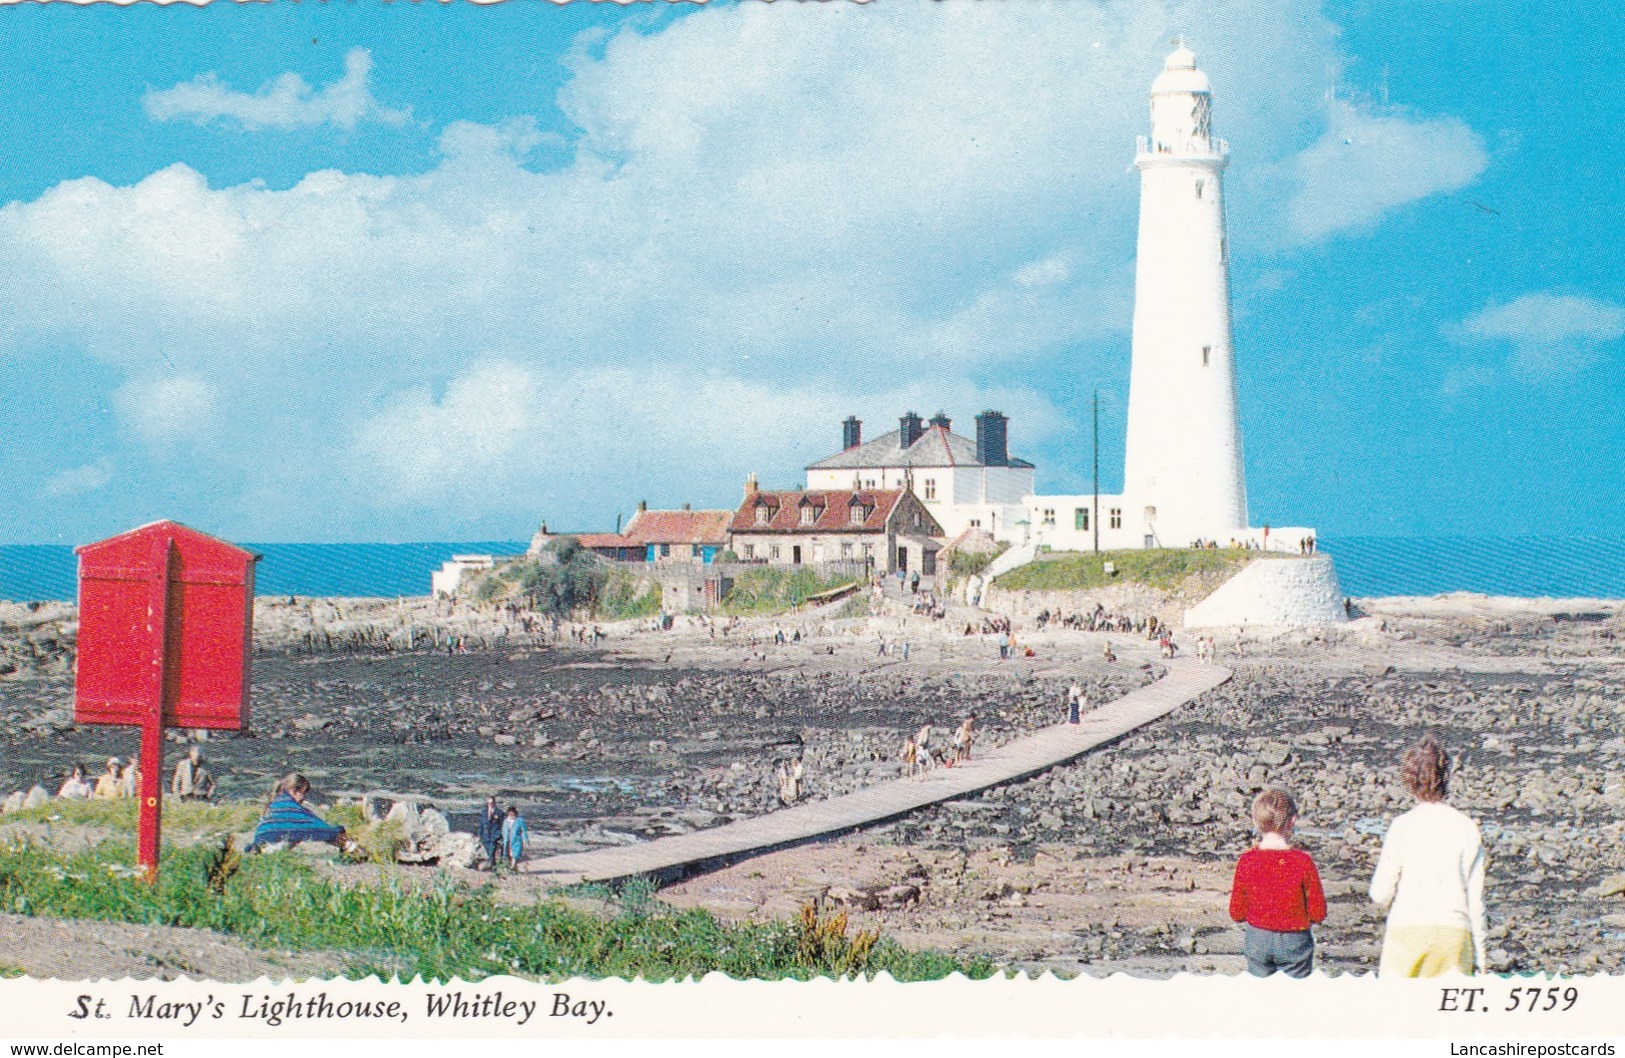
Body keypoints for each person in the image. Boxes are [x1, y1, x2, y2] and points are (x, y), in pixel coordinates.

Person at [1369, 736, 1487, 977]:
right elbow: (1477, 903)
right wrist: (1481, 957)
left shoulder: (1402, 827)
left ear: (1409, 779)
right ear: (1446, 776)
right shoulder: (1467, 827)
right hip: (1454, 934)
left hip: (1406, 932)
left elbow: (1380, 893)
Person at [1228, 788, 1327, 978]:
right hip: (1294, 938)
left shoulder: (1247, 861)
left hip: (1258, 937)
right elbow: (1318, 912)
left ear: (1256, 822)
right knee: (1295, 996)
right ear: (1292, 821)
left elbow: (1236, 912)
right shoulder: (1303, 862)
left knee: (1259, 996)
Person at [248, 773, 350, 852]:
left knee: (299, 831)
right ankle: (348, 847)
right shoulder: (289, 806)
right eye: (303, 792)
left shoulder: (274, 803)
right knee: (307, 830)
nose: (304, 797)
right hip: (274, 847)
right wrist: (335, 832)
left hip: (261, 844)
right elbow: (313, 825)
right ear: (294, 791)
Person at [477, 795, 504, 870]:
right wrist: (479, 834)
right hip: (485, 835)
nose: (490, 804)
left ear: (494, 803)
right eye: (488, 803)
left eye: (492, 803)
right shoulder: (484, 812)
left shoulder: (499, 813)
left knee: (492, 851)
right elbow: (481, 824)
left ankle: (492, 867)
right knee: (488, 852)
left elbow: (501, 825)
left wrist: (498, 834)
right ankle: (493, 864)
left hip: (494, 834)